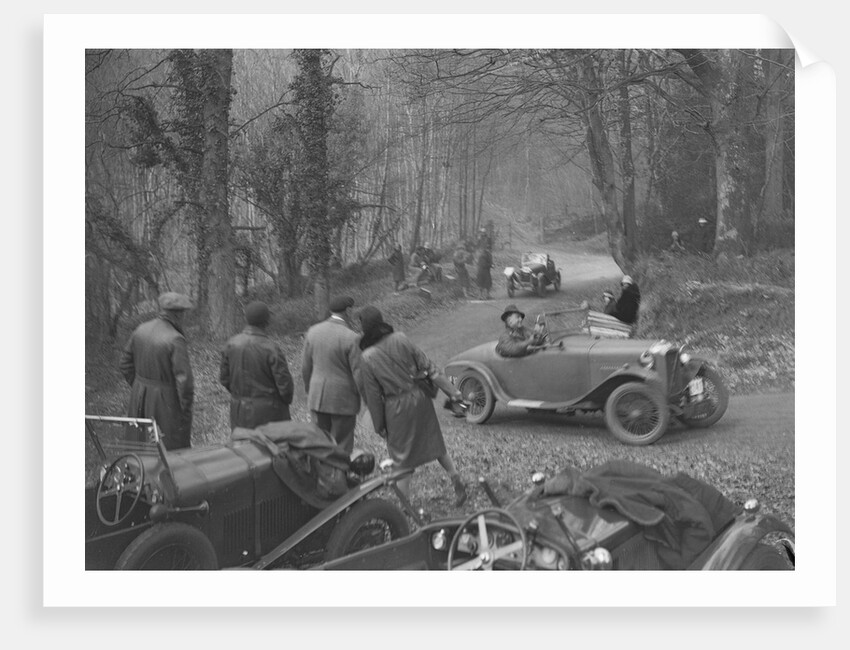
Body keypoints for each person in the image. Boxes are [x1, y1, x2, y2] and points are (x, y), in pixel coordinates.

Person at [357, 305, 468, 507]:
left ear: (364, 328)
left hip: (396, 408)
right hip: (420, 399)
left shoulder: (367, 357)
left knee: (402, 460)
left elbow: (372, 396)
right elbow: (430, 368)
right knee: (435, 442)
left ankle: (404, 509)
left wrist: (379, 425)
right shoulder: (401, 339)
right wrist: (453, 392)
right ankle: (456, 479)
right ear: (381, 321)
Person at [119, 292, 195, 450]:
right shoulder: (175, 339)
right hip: (165, 403)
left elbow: (125, 364)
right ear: (178, 314)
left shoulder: (141, 329)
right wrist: (185, 413)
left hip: (139, 397)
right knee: (169, 450)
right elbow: (185, 383)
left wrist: (139, 387)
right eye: (183, 314)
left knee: (140, 446)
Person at [301, 295, 363, 454]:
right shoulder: (352, 337)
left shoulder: (313, 331)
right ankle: (339, 477)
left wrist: (309, 389)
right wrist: (364, 396)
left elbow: (305, 366)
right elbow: (358, 373)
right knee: (341, 444)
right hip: (342, 400)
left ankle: (321, 475)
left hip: (317, 397)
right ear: (348, 311)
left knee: (320, 443)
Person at [219, 301, 294, 430]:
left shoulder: (231, 344)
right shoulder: (271, 348)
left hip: (239, 411)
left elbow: (224, 378)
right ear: (266, 321)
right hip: (270, 413)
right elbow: (285, 387)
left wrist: (240, 396)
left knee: (242, 447)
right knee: (270, 448)